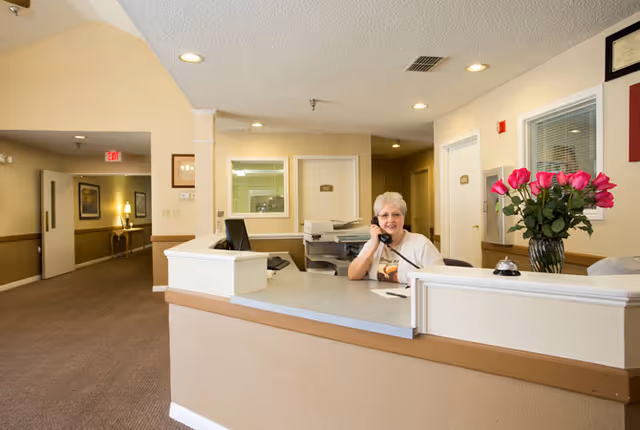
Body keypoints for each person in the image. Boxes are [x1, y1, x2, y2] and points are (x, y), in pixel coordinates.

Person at [347, 192, 443, 284]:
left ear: (403, 217)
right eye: (384, 215)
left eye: (396, 215)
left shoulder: (421, 244)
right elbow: (353, 275)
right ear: (376, 220)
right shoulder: (372, 244)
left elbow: (441, 278)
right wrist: (373, 246)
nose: (390, 220)